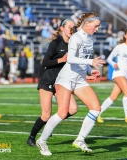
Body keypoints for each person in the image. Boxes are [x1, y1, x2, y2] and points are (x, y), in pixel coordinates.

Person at [36, 12, 105, 156]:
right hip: (65, 79)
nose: (97, 29)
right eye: (96, 26)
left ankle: (80, 140)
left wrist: (89, 71)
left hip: (79, 79)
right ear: (87, 24)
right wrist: (90, 62)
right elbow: (72, 59)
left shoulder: (90, 39)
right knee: (62, 112)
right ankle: (42, 141)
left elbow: (83, 59)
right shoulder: (75, 37)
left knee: (96, 108)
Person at [26, 18, 76, 146]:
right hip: (48, 80)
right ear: (62, 28)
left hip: (63, 82)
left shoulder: (74, 44)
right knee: (46, 114)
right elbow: (45, 62)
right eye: (69, 26)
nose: (71, 29)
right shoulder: (55, 43)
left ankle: (50, 124)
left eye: (73, 27)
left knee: (73, 108)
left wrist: (88, 73)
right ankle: (31, 137)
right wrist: (61, 60)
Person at [97, 28, 127, 123]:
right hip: (118, 73)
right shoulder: (120, 47)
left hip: (126, 75)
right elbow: (109, 59)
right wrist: (113, 64)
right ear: (125, 36)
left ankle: (97, 114)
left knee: (113, 97)